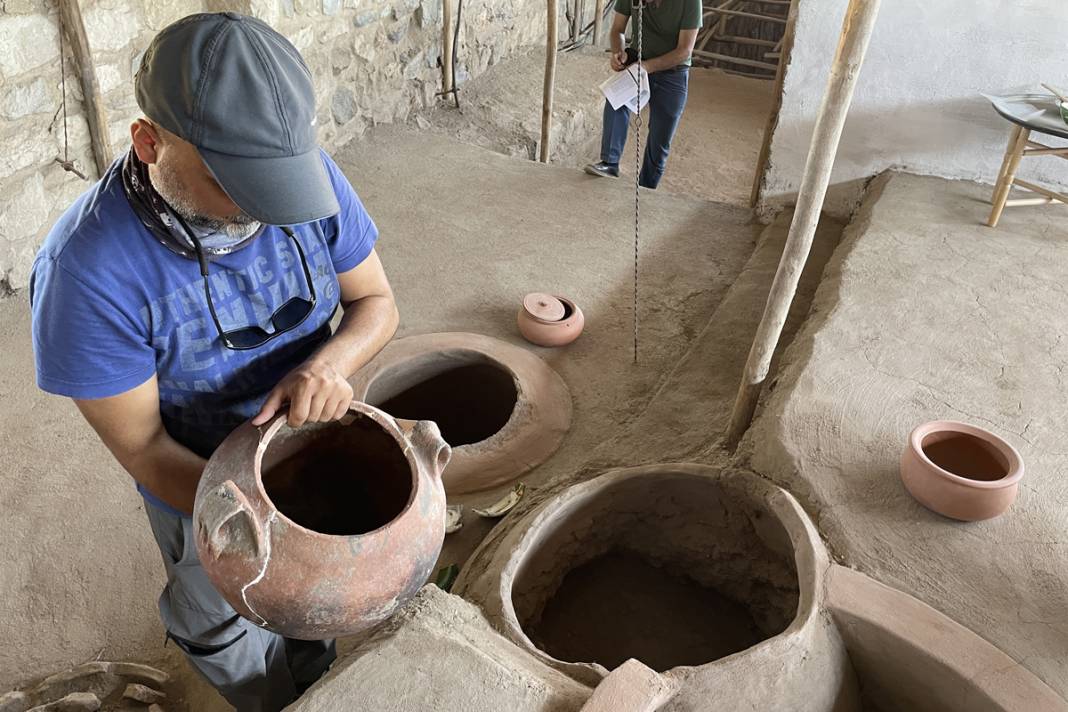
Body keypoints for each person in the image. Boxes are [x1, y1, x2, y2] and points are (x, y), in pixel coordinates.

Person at [29, 13, 399, 712]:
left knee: (307, 617)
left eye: (279, 182)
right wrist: (263, 520)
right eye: (237, 182)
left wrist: (331, 364)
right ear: (148, 142)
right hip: (199, 481)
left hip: (314, 449)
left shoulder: (306, 180)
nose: (267, 212)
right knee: (225, 623)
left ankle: (309, 673)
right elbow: (143, 447)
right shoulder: (87, 273)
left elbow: (376, 301)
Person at [585, 0, 703, 189]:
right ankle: (610, 163)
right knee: (616, 98)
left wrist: (647, 68)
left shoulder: (690, 2)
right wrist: (618, 52)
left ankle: (647, 187)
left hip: (673, 71)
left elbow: (684, 51)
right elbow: (617, 30)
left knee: (660, 139)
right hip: (639, 59)